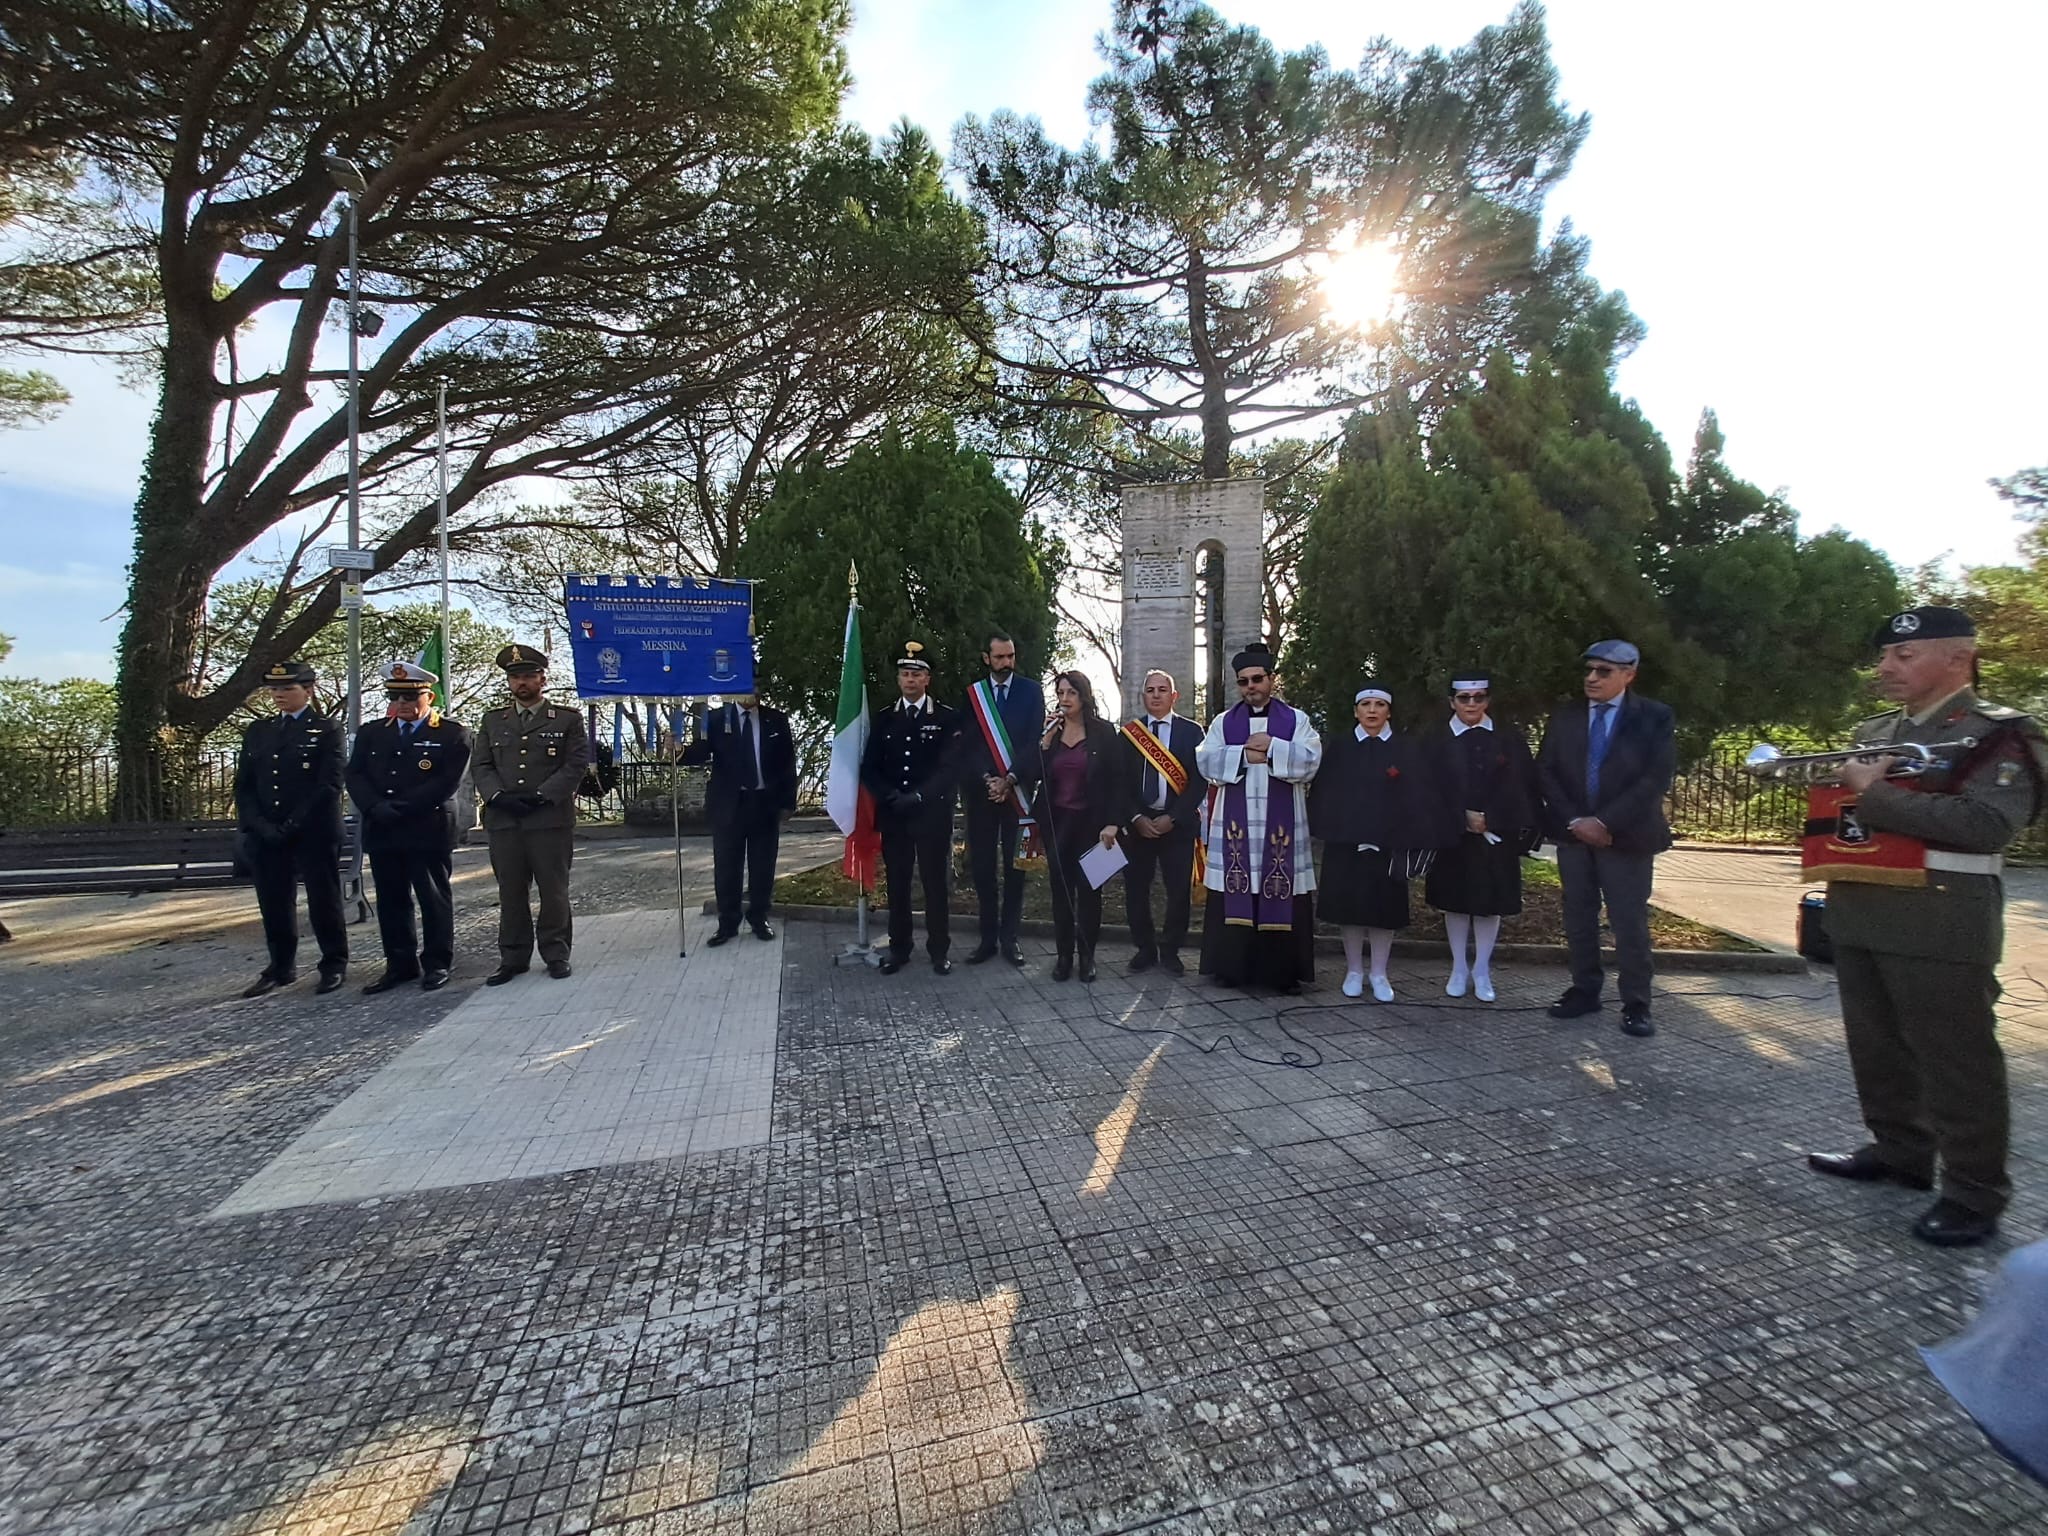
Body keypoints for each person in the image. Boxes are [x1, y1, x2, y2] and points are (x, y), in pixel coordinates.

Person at [1807, 605, 2044, 1248]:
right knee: (1875, 1045)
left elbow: (1987, 824)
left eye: (1904, 656)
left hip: (1941, 918)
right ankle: (1900, 1152)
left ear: (1957, 658)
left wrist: (1874, 794)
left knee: (1956, 1059)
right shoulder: (1877, 728)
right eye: (1885, 655)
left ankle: (1973, 1192)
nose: (1885, 667)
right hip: (1864, 905)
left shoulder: (2000, 734)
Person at [1536, 640, 1675, 1038]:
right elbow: (1546, 770)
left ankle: (1636, 1002)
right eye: (1589, 670)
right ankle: (1584, 990)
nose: (1592, 678)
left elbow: (1655, 778)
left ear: (1629, 674)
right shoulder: (1566, 716)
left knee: (1628, 922)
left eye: (1604, 671)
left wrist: (1604, 821)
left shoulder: (1654, 716)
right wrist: (1577, 821)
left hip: (1626, 837)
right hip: (1574, 835)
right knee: (1578, 917)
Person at [1308, 685, 1452, 1001]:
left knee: (1384, 912)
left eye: (1379, 705)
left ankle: (1379, 972)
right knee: (1351, 911)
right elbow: (1325, 796)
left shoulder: (1406, 749)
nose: (1372, 711)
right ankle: (1354, 970)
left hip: (1390, 846)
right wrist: (1347, 832)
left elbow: (1418, 797)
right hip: (1348, 844)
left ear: (1389, 710)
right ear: (1356, 711)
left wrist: (1394, 835)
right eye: (1365, 704)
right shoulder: (1341, 747)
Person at [1196, 643, 1322, 993]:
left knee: (1279, 888)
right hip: (1236, 829)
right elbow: (1206, 762)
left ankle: (1280, 974)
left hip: (1280, 828)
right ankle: (1232, 970)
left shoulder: (1296, 721)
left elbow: (1311, 761)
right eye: (1243, 681)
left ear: (1271, 679)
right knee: (1237, 890)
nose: (1251, 686)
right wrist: (1244, 755)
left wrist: (1271, 748)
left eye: (1257, 679)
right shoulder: (1224, 722)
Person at [345, 661, 472, 993]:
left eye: (410, 697)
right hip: (383, 828)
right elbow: (354, 774)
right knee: (391, 901)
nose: (402, 703)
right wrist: (374, 806)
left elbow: (446, 782)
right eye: (395, 696)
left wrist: (404, 807)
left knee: (433, 899)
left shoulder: (451, 733)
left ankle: (437, 962)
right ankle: (399, 964)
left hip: (425, 828)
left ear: (428, 696)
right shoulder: (374, 732)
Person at [470, 644, 590, 984]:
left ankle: (555, 953)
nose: (521, 683)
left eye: (527, 676)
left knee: (553, 890)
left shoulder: (567, 719)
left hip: (548, 819)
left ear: (542, 679)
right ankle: (513, 957)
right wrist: (497, 796)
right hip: (505, 820)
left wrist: (541, 796)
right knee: (510, 891)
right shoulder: (493, 720)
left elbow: (575, 764)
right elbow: (481, 764)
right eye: (515, 677)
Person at [1420, 672, 1544, 1002]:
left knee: (1490, 906)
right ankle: (1459, 968)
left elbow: (1523, 787)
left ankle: (1482, 970)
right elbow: (1426, 788)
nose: (1472, 704)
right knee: (1455, 904)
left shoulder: (1508, 738)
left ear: (1488, 700)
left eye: (1479, 698)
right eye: (1464, 698)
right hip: (1452, 836)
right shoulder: (1435, 739)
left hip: (1496, 835)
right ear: (1452, 702)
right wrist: (1461, 817)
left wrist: (1493, 819)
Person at [235, 659, 349, 997]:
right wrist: (259, 824)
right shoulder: (260, 731)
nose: (280, 695)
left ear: (308, 691)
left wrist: (292, 822)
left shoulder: (327, 729)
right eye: (275, 689)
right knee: (274, 900)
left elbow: (329, 784)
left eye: (288, 688)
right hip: (267, 832)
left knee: (323, 898)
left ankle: (333, 963)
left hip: (313, 829)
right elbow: (245, 785)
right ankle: (280, 966)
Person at [861, 641, 960, 975]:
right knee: (898, 885)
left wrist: (919, 797)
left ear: (927, 679)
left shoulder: (945, 718)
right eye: (905, 674)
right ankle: (899, 948)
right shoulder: (885, 718)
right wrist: (889, 795)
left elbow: (949, 769)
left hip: (930, 814)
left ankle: (939, 951)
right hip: (895, 815)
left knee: (935, 884)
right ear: (899, 679)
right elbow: (869, 768)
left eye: (916, 675)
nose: (910, 680)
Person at [683, 692, 799, 945]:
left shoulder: (775, 719)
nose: (751, 693)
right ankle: (728, 923)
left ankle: (759, 917)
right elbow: (698, 753)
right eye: (745, 687)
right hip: (728, 805)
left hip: (764, 803)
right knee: (726, 867)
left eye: (756, 686)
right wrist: (677, 749)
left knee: (762, 866)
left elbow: (788, 762)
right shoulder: (715, 719)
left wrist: (789, 802)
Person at [958, 631, 1044, 966]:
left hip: (1019, 794)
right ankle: (987, 940)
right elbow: (968, 744)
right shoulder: (973, 696)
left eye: (1010, 656)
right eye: (999, 657)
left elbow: (1033, 741)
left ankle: (1011, 939)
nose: (1006, 663)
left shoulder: (1031, 691)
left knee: (1016, 867)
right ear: (986, 658)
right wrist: (988, 780)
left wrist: (1009, 779)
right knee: (982, 869)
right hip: (981, 797)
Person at [1037, 671, 1123, 983]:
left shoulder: (1102, 732)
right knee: (1061, 893)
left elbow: (1117, 780)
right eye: (1060, 693)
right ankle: (1063, 957)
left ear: (1083, 696)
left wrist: (1114, 822)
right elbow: (1037, 773)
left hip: (1093, 825)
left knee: (1090, 892)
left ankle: (1087, 957)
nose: (1064, 699)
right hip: (1058, 823)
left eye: (1071, 693)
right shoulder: (1051, 732)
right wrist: (1045, 743)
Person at [1118, 669, 1205, 976]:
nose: (1156, 695)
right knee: (1136, 889)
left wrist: (1175, 817)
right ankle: (1144, 948)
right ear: (1143, 697)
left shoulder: (1192, 732)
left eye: (1162, 690)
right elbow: (1121, 782)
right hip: (1139, 825)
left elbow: (1198, 782)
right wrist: (1137, 817)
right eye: (1150, 690)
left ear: (1174, 696)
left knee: (1178, 890)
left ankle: (1171, 950)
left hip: (1176, 826)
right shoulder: (1130, 734)